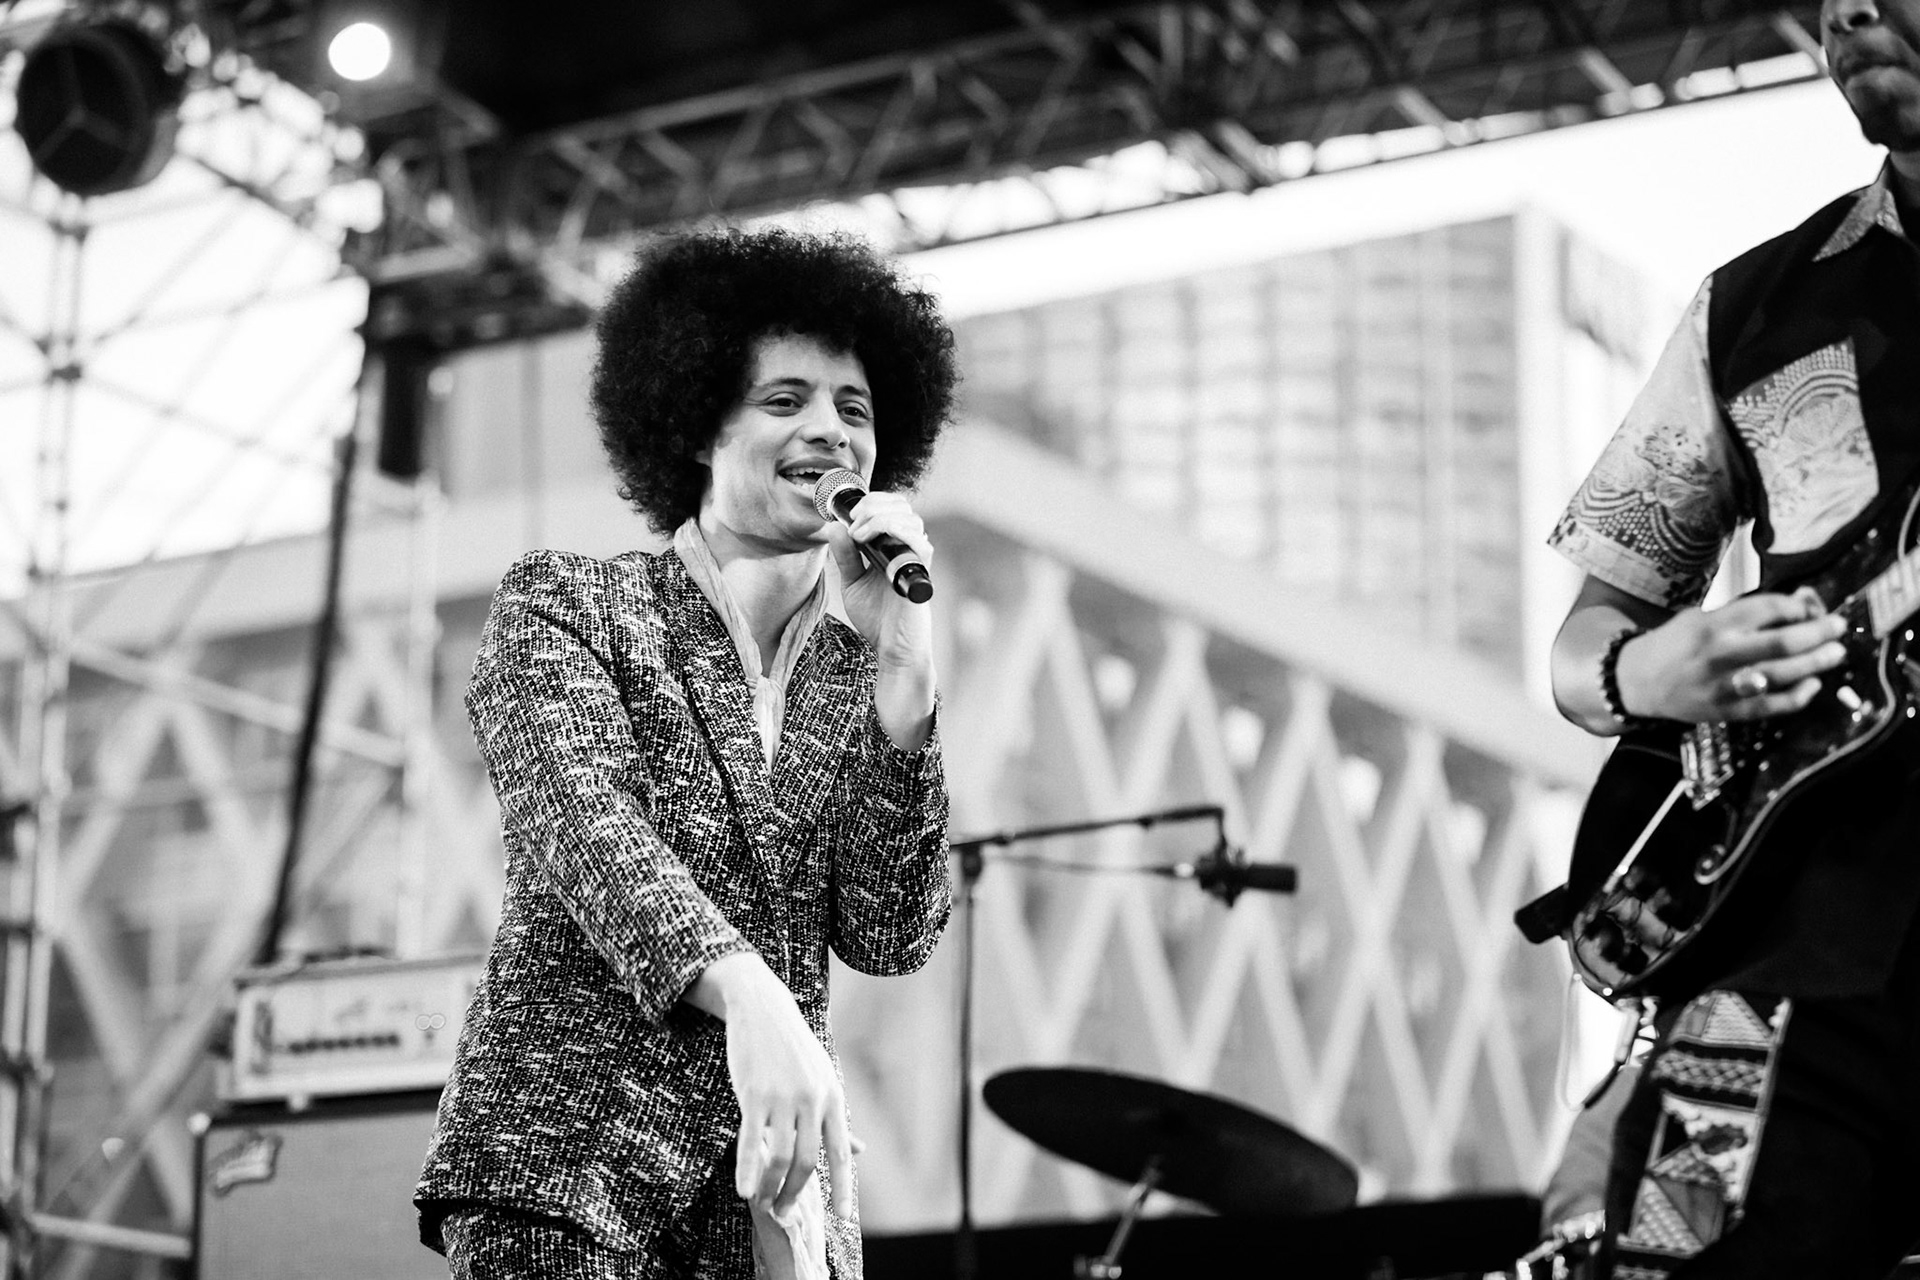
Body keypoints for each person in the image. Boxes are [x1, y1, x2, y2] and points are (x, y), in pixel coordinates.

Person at [413, 226, 960, 1280]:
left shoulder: (858, 674)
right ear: (699, 421)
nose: (831, 431)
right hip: (573, 1173)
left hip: (772, 1210)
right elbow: (582, 823)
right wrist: (752, 993)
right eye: (786, 398)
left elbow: (890, 931)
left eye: (856, 409)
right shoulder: (571, 601)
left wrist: (906, 681)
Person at [1545, 3, 1920, 1275]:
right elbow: (1586, 636)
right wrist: (1639, 668)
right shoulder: (1752, 304)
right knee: (1677, 1250)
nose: (1855, 10)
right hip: (1764, 947)